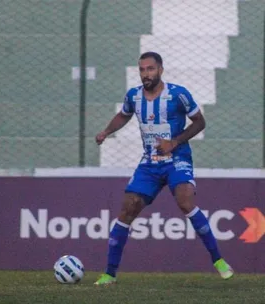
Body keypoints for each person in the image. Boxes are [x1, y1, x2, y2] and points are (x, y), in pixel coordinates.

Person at [94, 51, 233, 285]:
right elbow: (123, 115)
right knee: (128, 208)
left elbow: (200, 122)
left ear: (160, 70)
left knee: (185, 200)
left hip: (177, 158)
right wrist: (106, 132)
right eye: (141, 69)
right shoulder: (134, 96)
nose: (145, 74)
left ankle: (219, 260)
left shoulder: (178, 95)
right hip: (149, 163)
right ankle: (109, 273)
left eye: (150, 69)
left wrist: (174, 142)